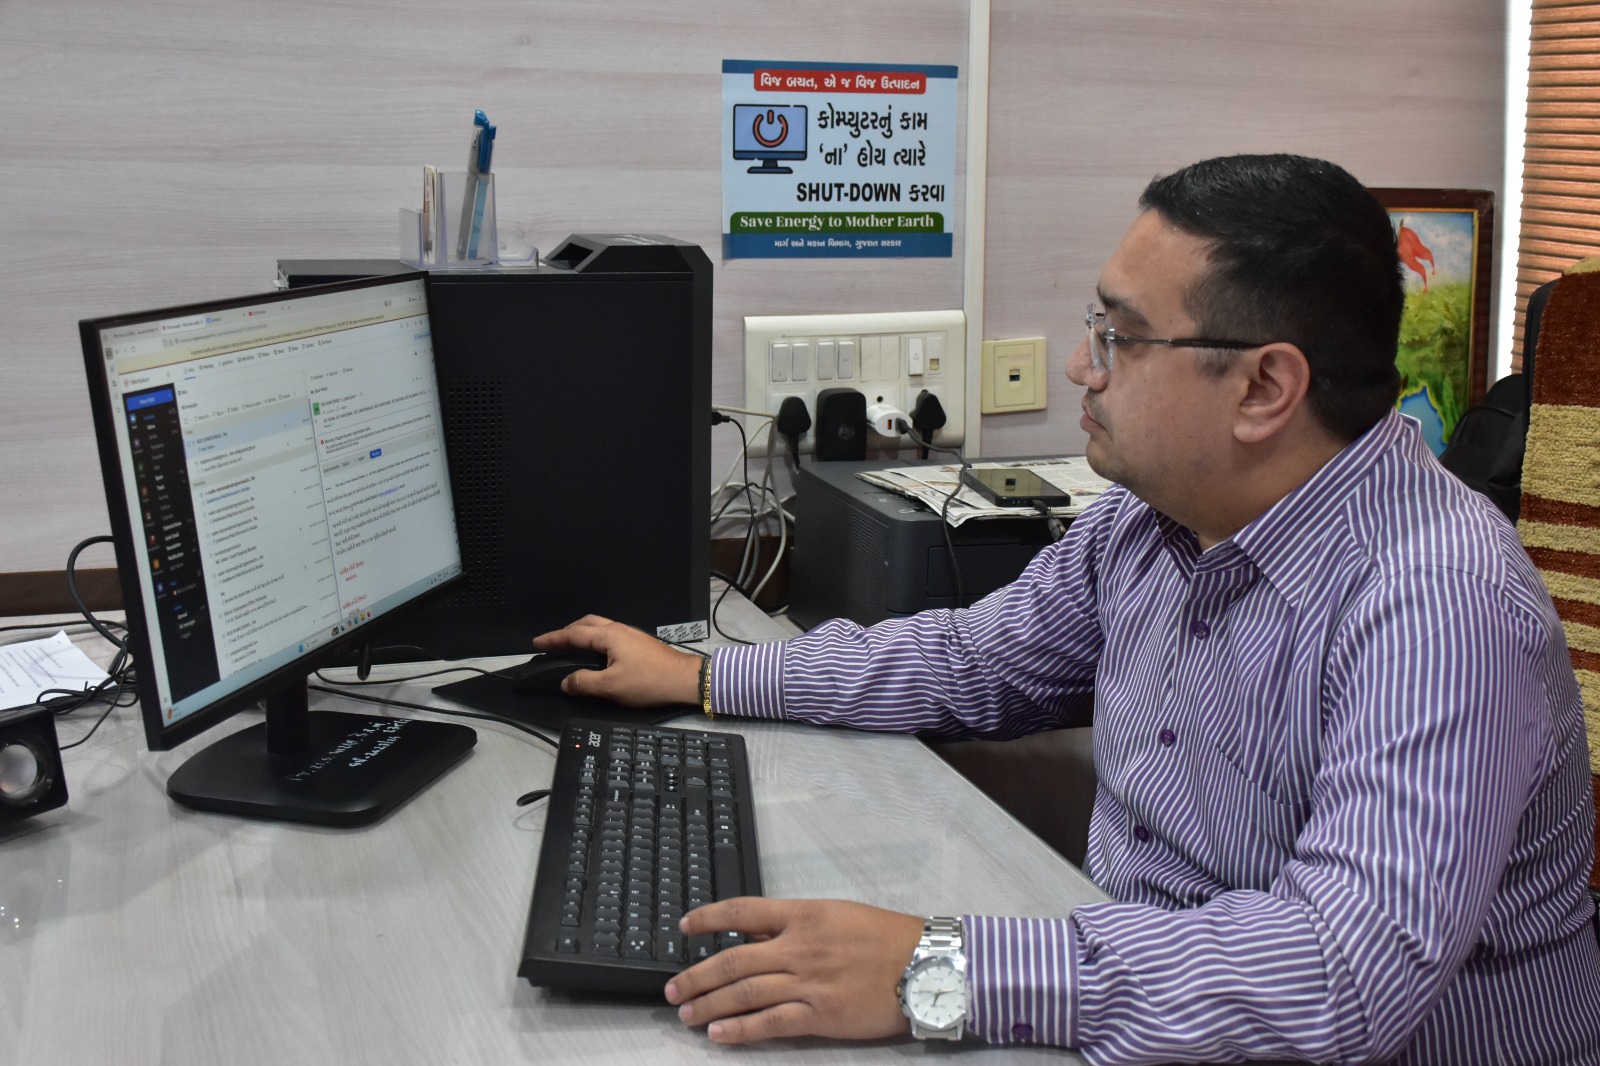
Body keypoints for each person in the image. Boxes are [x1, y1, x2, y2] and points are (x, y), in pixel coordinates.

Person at [533, 154, 1600, 1064]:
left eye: (1120, 337)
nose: (1080, 366)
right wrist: (706, 675)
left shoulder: (1438, 606)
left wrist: (938, 967)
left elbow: (1338, 973)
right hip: (1144, 1002)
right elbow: (972, 661)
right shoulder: (1151, 518)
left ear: (1264, 389)